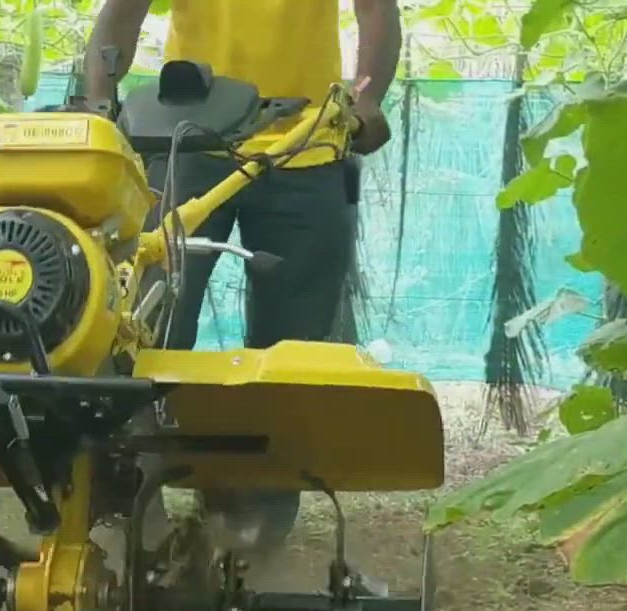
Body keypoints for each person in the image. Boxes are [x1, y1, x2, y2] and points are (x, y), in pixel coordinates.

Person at [85, 0, 401, 555]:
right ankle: (130, 499)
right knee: (144, 324)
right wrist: (98, 104)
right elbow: (121, 14)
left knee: (291, 344)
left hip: (309, 139)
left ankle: (256, 522)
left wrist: (367, 96)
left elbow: (376, 10)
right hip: (186, 139)